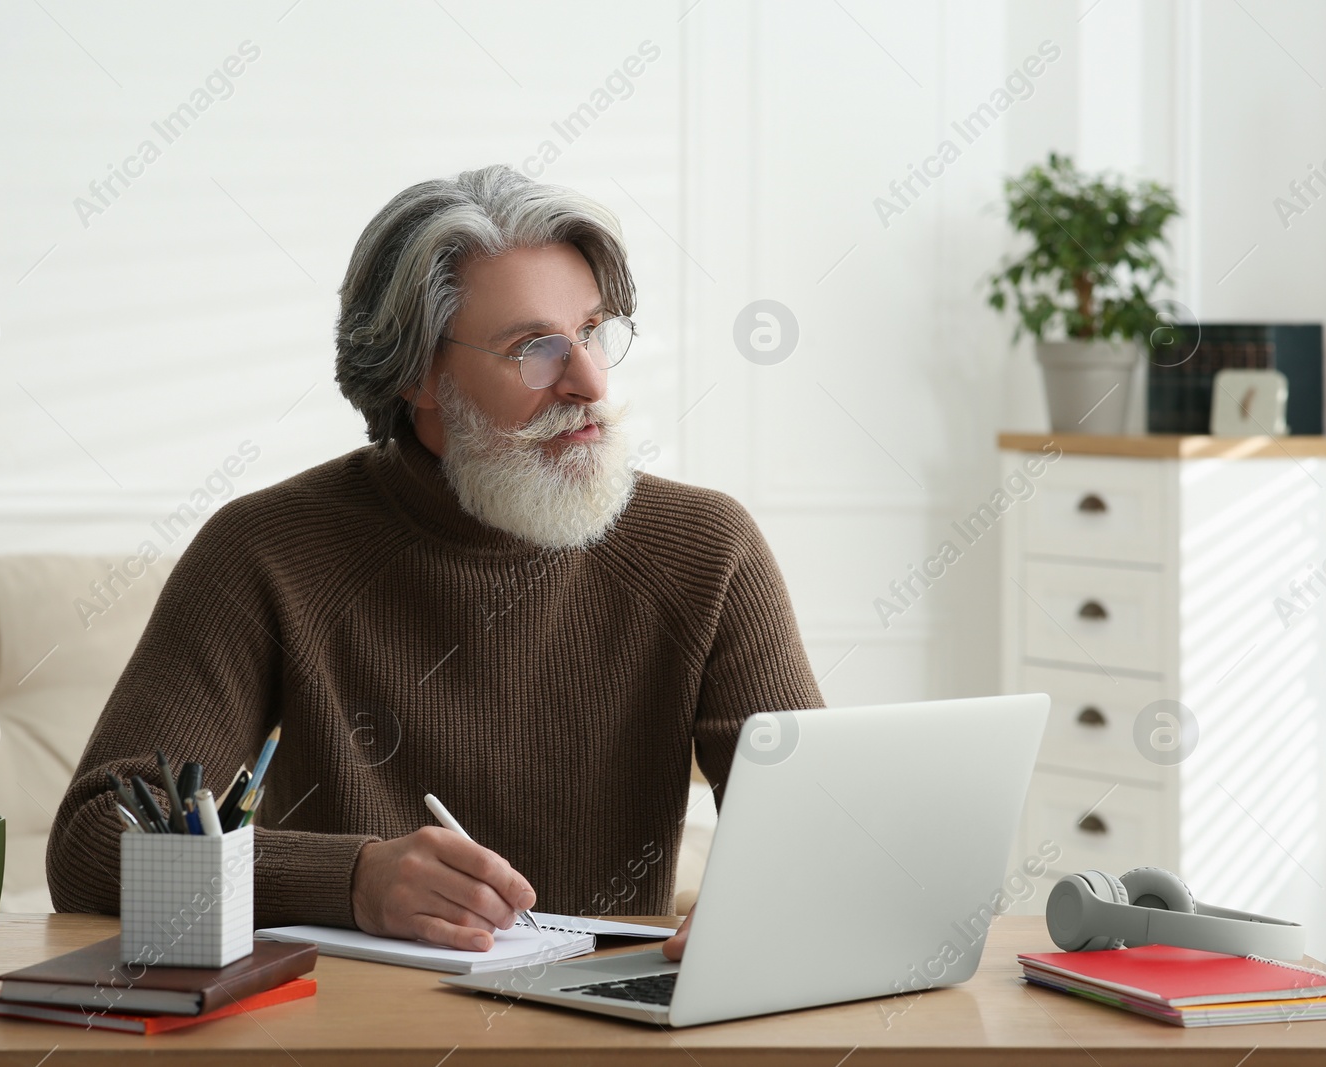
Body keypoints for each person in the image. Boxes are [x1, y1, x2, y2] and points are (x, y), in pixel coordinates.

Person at [46, 163, 822, 957]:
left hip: (611, 1025)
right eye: (535, 349)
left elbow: (821, 833)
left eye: (591, 332)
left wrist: (769, 897)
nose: (589, 380)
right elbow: (90, 842)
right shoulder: (264, 550)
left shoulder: (706, 548)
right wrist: (351, 879)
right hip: (344, 1029)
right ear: (419, 372)